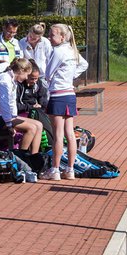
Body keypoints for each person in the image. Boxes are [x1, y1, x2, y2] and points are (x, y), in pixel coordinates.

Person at [41, 22, 88, 181]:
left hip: (58, 95)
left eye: (52, 34)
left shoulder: (59, 51)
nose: (49, 36)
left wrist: (58, 78)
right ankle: (70, 169)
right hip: (69, 94)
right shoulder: (71, 49)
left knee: (58, 135)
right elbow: (84, 64)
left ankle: (54, 169)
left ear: (62, 36)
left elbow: (48, 73)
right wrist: (71, 75)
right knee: (69, 133)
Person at [0, 56, 43, 154]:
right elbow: (4, 103)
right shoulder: (5, 80)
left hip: (1, 116)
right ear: (21, 70)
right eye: (27, 74)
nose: (27, 77)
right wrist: (9, 125)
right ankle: (21, 157)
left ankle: (34, 157)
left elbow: (12, 102)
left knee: (39, 125)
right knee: (31, 128)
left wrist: (14, 116)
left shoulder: (12, 80)